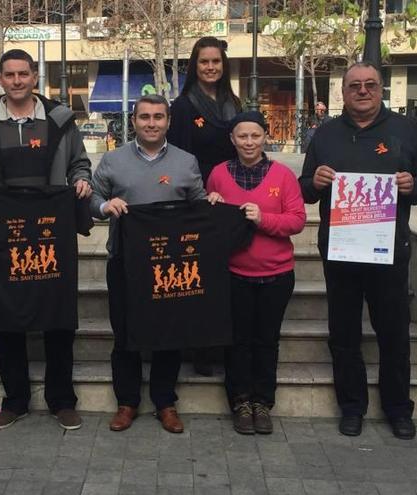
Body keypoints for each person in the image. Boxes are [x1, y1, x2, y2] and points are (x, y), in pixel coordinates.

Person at [298, 61, 417, 439]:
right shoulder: (325, 135)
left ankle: (398, 409)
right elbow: (305, 188)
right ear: (343, 92)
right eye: (355, 85)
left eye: (370, 85)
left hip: (388, 251)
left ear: (380, 90)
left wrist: (412, 184)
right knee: (343, 333)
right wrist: (316, 181)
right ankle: (352, 406)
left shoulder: (404, 130)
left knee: (393, 333)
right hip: (341, 250)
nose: (362, 91)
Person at [0, 49, 92, 431]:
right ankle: (14, 399)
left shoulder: (60, 118)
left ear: (35, 77)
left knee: (59, 319)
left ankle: (61, 400)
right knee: (4, 320)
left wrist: (82, 180)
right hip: (2, 235)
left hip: (52, 231)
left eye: (24, 74)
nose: (16, 81)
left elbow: (79, 163)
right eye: (9, 75)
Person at [91, 94, 221, 434]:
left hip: (170, 265)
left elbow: (197, 203)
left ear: (168, 121)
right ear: (133, 121)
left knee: (170, 333)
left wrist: (212, 201)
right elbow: (91, 197)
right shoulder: (112, 160)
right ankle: (127, 402)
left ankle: (165, 402)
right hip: (124, 261)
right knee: (124, 334)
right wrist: (105, 206)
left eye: (158, 117)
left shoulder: (186, 161)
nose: (151, 123)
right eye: (145, 117)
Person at [206, 111, 306, 434]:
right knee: (238, 341)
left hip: (276, 274)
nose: (249, 142)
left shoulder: (283, 176)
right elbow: (211, 224)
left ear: (265, 137)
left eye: (255, 135)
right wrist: (212, 203)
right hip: (234, 273)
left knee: (266, 341)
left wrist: (264, 219)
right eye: (242, 136)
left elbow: (297, 220)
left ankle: (263, 402)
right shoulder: (219, 174)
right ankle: (240, 401)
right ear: (232, 139)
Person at [167, 36, 242, 377]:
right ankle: (199, 348)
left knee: (226, 276)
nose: (210, 67)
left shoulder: (234, 103)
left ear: (223, 65)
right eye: (203, 62)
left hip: (232, 197)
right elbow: (177, 155)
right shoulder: (183, 107)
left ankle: (224, 345)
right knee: (200, 277)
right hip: (198, 199)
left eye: (215, 61)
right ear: (194, 67)